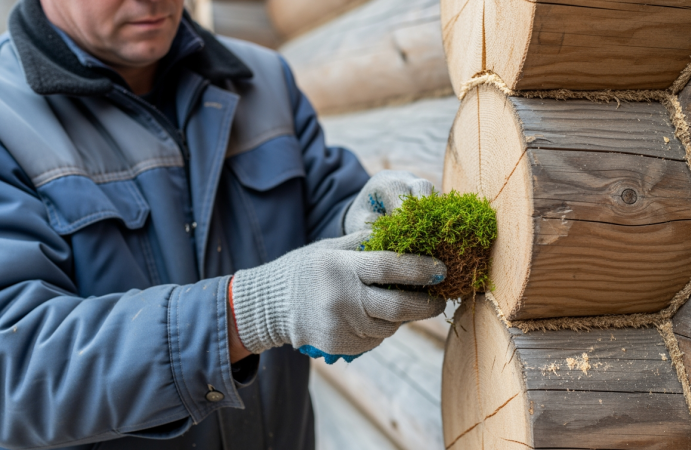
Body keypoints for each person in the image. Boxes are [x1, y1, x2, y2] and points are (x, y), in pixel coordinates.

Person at [0, 0, 448, 449]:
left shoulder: (263, 78)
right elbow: (15, 371)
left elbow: (322, 215)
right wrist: (250, 312)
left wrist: (359, 222)